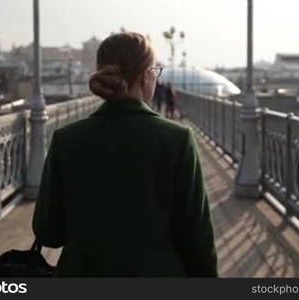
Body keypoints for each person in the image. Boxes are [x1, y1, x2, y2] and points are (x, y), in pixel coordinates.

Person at [32, 32, 218, 277]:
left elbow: (48, 233)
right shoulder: (178, 140)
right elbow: (198, 239)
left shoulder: (66, 140)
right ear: (145, 76)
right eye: (156, 70)